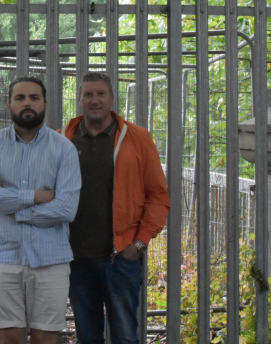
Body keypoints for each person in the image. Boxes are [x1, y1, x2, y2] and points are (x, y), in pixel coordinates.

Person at [62, 72, 170, 344]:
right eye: (88, 94)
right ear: (79, 100)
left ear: (112, 98)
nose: (94, 100)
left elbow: (158, 196)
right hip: (76, 260)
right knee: (87, 336)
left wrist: (139, 245)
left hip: (121, 258)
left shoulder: (137, 138)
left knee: (124, 336)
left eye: (100, 94)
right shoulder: (63, 139)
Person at [0, 76, 81, 344]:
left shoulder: (64, 149)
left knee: (45, 338)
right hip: (2, 258)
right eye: (20, 98)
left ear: (45, 103)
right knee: (8, 338)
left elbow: (66, 209)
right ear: (9, 104)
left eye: (34, 97)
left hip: (51, 260)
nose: (27, 103)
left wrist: (11, 207)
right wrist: (37, 196)